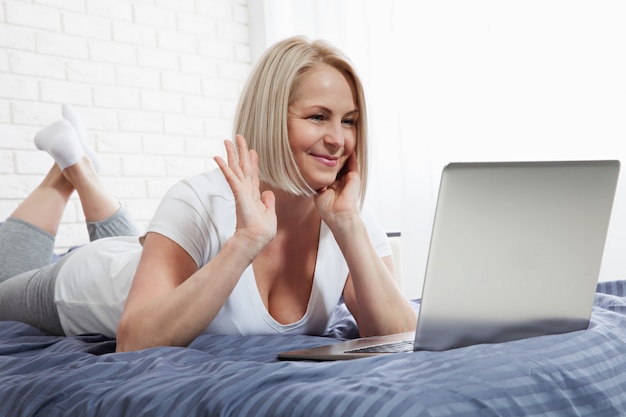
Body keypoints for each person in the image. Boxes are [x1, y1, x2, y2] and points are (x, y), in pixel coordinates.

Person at [0, 36, 417, 352]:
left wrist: (346, 226)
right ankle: (66, 172)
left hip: (145, 255)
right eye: (317, 117)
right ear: (271, 118)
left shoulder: (353, 222)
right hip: (92, 283)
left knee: (134, 245)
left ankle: (76, 164)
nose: (338, 139)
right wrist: (244, 244)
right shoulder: (199, 199)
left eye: (349, 121)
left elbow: (399, 336)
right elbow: (134, 340)